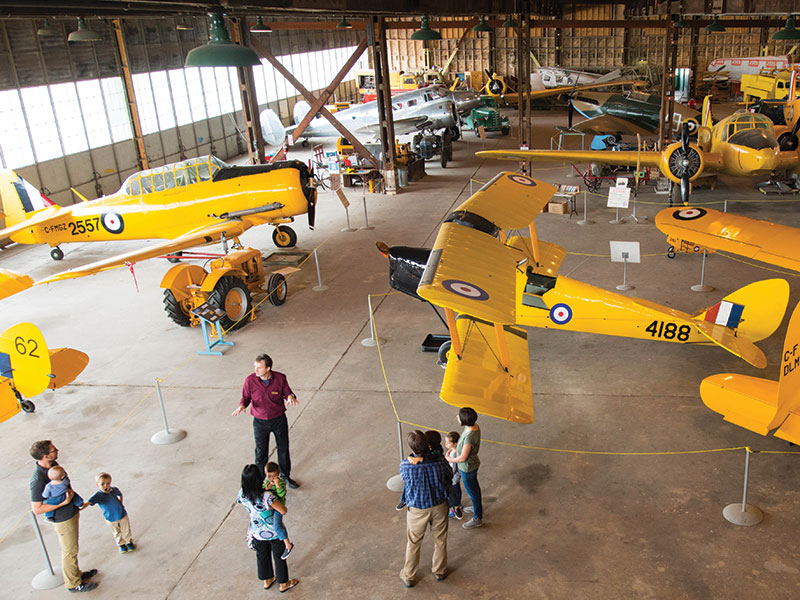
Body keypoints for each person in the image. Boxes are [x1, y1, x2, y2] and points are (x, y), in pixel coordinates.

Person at [29, 440, 98, 593]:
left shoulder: (53, 465)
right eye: (54, 450)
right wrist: (63, 503)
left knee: (73, 548)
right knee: (69, 551)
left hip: (71, 511)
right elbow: (37, 509)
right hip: (63, 518)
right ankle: (73, 584)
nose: (57, 451)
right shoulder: (38, 480)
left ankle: (76, 574)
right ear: (45, 456)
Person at [232, 354, 300, 488]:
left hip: (278, 420)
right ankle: (261, 481)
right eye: (255, 367)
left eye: (259, 367)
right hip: (260, 422)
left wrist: (290, 397)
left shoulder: (280, 378)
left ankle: (285, 476)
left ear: (268, 368)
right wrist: (241, 406)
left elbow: (287, 392)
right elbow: (245, 397)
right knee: (261, 452)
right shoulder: (250, 380)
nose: (255, 370)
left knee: (283, 449)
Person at [398, 430, 452, 587]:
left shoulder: (406, 465)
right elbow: (450, 477)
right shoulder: (440, 463)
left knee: (413, 542)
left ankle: (409, 575)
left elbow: (404, 480)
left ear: (412, 448)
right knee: (440, 540)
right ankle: (440, 571)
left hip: (417, 509)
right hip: (439, 505)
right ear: (428, 445)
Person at [237, 464, 299, 593]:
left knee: (262, 556)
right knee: (279, 556)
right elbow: (283, 510)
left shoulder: (242, 494)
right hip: (273, 532)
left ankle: (267, 580)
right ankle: (283, 583)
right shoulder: (267, 496)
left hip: (257, 531)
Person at [446, 407, 483, 529]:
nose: (457, 417)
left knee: (472, 491)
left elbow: (463, 457)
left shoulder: (469, 438)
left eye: (459, 416)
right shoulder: (473, 426)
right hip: (471, 464)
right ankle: (476, 506)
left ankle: (477, 518)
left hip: (467, 468)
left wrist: (450, 459)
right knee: (474, 490)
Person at [85, 472, 135, 553]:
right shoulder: (98, 496)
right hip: (110, 518)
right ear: (97, 485)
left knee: (126, 529)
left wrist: (121, 503)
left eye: (108, 483)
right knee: (116, 532)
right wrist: (80, 507)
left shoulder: (113, 490)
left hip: (122, 514)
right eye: (102, 484)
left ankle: (128, 542)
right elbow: (89, 502)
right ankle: (121, 544)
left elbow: (120, 494)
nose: (106, 486)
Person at [264, 462, 293, 559]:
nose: (272, 478)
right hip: (270, 506)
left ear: (278, 474)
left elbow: (282, 494)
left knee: (277, 526)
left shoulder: (280, 482)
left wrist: (277, 485)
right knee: (275, 524)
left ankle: (288, 544)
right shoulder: (266, 482)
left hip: (278, 507)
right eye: (269, 476)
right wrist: (266, 488)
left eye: (274, 476)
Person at [444, 432, 464, 520]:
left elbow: (453, 469)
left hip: (453, 479)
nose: (446, 444)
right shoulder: (455, 450)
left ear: (455, 443)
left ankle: (455, 510)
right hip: (455, 478)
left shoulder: (455, 455)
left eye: (448, 443)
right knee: (456, 492)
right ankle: (458, 505)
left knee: (453, 493)